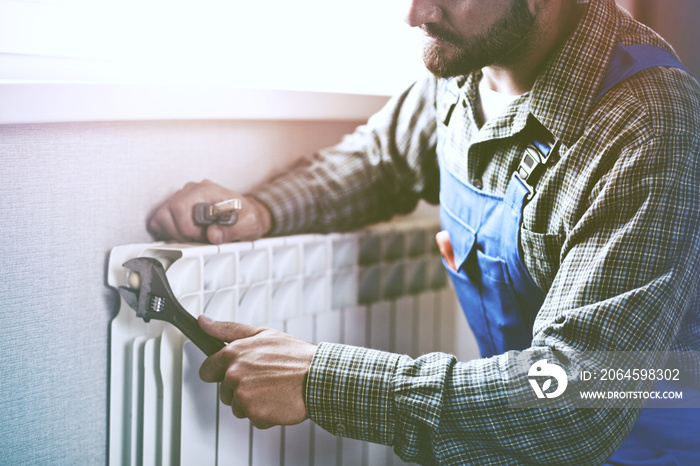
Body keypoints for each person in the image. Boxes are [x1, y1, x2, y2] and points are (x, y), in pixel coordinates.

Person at [147, 0, 700, 464]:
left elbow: (579, 395)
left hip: (650, 448)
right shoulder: (466, 67)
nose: (415, 13)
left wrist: (323, 380)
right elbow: (378, 160)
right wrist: (261, 209)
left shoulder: (649, 122)